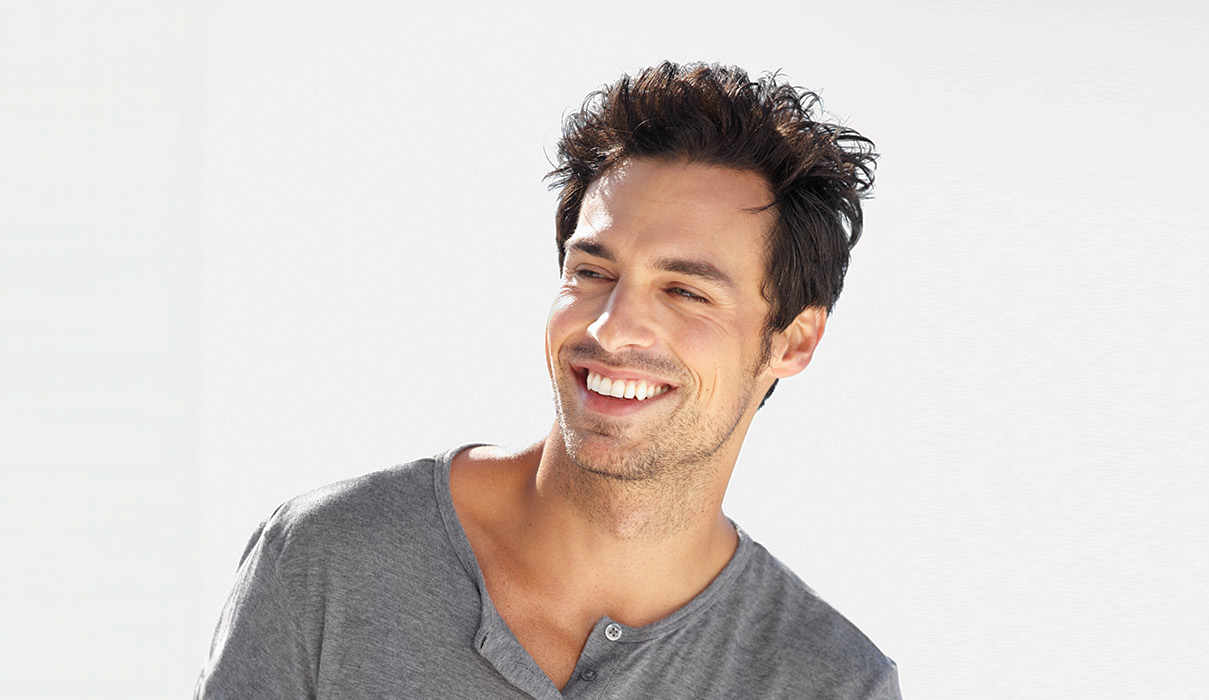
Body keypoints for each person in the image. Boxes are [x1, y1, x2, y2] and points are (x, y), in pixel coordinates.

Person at [198, 61, 898, 699]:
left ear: (793, 340)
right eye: (592, 273)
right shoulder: (331, 559)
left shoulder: (831, 682)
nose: (613, 328)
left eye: (685, 291)